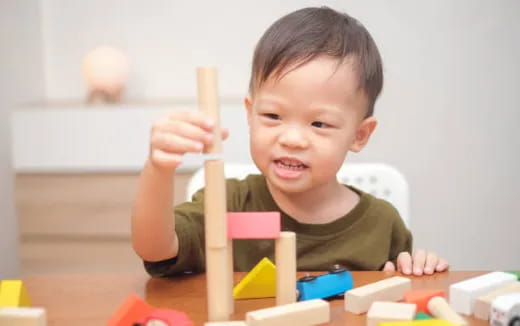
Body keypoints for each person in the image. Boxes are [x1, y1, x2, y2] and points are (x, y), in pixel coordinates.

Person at [131, 6, 448, 277]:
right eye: (272, 116)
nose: (292, 139)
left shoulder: (382, 223)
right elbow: (156, 249)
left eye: (319, 123)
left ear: (359, 135)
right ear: (250, 112)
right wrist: (158, 170)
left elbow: (397, 292)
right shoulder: (226, 202)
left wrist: (418, 268)